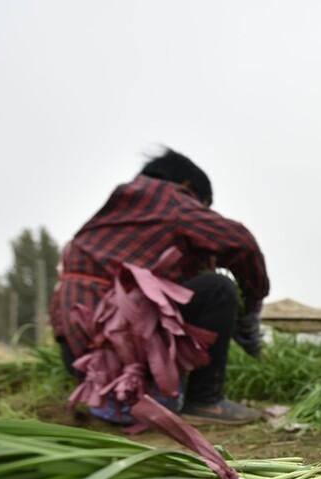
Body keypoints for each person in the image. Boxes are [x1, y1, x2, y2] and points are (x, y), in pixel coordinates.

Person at [49, 148, 267, 423]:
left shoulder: (116, 212)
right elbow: (241, 242)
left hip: (80, 355)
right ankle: (205, 401)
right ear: (187, 186)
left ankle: (119, 393)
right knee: (218, 288)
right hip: (119, 338)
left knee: (171, 294)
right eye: (202, 205)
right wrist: (251, 306)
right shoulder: (168, 198)